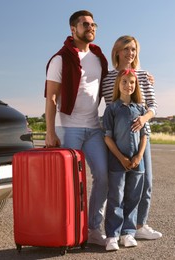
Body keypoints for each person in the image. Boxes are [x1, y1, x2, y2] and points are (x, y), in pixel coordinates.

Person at [44, 10, 109, 246]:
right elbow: (51, 98)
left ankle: (93, 228)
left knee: (103, 176)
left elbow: (117, 79)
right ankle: (69, 230)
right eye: (85, 24)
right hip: (69, 128)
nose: (90, 27)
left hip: (93, 128)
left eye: (93, 24)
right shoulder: (60, 59)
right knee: (71, 183)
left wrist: (144, 76)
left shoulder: (99, 57)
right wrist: (50, 132)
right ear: (73, 29)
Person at [102, 35, 162, 240]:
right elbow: (109, 107)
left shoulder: (144, 76)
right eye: (126, 49)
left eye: (134, 49)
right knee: (118, 188)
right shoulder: (108, 78)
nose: (130, 53)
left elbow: (153, 106)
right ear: (117, 51)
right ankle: (118, 230)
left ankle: (139, 225)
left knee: (145, 182)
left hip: (141, 138)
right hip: (117, 139)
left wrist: (144, 119)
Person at [103, 69, 148, 251]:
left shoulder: (141, 109)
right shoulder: (112, 109)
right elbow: (107, 137)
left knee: (133, 197)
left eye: (132, 82)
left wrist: (138, 156)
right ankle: (112, 235)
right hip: (117, 161)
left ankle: (127, 233)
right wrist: (121, 158)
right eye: (124, 82)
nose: (128, 85)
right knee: (116, 197)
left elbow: (145, 136)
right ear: (118, 84)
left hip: (137, 162)